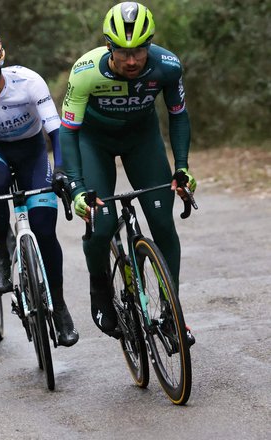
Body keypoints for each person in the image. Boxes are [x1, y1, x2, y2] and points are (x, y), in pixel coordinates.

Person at [59, 2, 196, 344]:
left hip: (142, 140)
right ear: (109, 47)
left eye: (139, 51)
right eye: (123, 52)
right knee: (101, 225)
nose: (132, 61)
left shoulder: (167, 66)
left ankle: (171, 314)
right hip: (94, 142)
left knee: (163, 223)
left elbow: (178, 114)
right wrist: (76, 187)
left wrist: (182, 167)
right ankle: (100, 288)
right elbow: (68, 131)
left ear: (149, 46)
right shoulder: (85, 71)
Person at [0, 33, 79, 347]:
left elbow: (56, 131)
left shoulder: (30, 83)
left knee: (45, 229)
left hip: (32, 152)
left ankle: (59, 307)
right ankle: (1, 256)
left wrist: (60, 170)